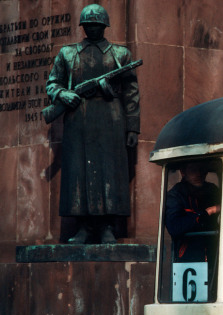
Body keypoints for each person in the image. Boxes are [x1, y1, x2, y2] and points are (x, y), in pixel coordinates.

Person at [46, 4, 140, 244]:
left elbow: (131, 93)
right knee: (78, 172)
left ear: (105, 27)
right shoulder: (68, 53)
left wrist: (132, 127)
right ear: (83, 27)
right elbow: (52, 83)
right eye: (89, 25)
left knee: (111, 171)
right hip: (79, 118)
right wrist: (62, 95)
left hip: (111, 119)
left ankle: (107, 226)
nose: (93, 29)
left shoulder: (120, 55)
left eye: (98, 25)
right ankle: (84, 227)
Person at [165, 162, 220, 263]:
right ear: (183, 172)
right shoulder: (176, 195)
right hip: (189, 257)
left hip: (215, 254)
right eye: (193, 170)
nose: (199, 174)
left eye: (202, 170)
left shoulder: (213, 191)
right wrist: (207, 212)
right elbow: (174, 227)